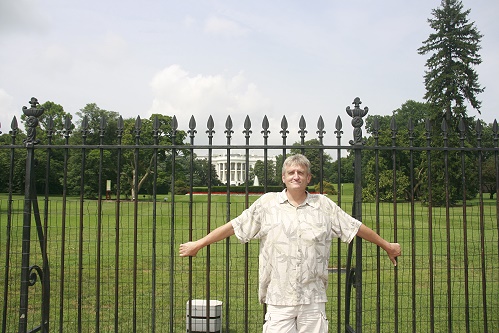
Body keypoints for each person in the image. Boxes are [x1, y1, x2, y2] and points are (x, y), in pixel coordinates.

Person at [179, 154, 401, 333]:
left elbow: (355, 227)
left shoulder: (323, 205)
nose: (296, 176)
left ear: (308, 178)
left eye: (301, 173)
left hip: (312, 297)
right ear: (283, 177)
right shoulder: (267, 204)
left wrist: (386, 245)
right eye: (291, 172)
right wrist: (199, 244)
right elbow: (234, 226)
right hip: (278, 295)